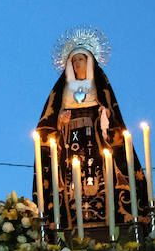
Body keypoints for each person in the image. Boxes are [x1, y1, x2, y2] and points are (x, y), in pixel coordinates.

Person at [34, 27, 147, 230]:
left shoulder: (100, 88)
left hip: (96, 145)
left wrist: (104, 116)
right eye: (74, 60)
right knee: (70, 189)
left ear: (90, 62)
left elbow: (114, 124)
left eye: (81, 60)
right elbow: (47, 126)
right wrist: (60, 121)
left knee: (103, 184)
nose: (77, 64)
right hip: (70, 147)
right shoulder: (61, 92)